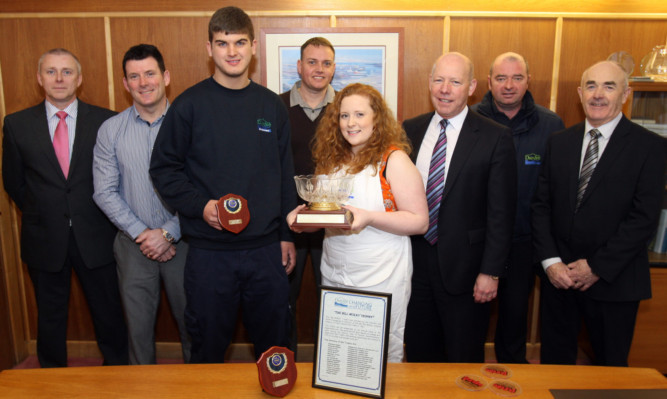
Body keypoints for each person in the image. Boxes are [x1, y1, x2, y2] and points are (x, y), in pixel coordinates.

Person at [149, 6, 296, 363]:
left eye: (240, 42)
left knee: (276, 347)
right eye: (222, 43)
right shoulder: (188, 106)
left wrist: (286, 235)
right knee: (207, 349)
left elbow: (284, 170)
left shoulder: (272, 105)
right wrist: (202, 206)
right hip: (209, 253)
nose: (232, 51)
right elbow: (163, 169)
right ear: (209, 49)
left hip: (265, 251)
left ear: (253, 47)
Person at [531, 60, 666, 366]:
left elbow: (643, 219)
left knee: (609, 372)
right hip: (559, 280)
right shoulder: (559, 142)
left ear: (626, 93)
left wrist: (596, 267)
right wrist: (551, 263)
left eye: (609, 86)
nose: (598, 94)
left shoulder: (650, 148)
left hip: (613, 283)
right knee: (555, 367)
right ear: (580, 93)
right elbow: (541, 206)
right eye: (591, 85)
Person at [2, 48, 128, 367]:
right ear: (39, 78)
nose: (59, 78)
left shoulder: (106, 121)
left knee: (109, 316)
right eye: (51, 71)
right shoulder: (16, 125)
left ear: (79, 78)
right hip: (44, 238)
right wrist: (45, 211)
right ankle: (51, 381)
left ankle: (118, 377)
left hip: (97, 235)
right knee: (50, 318)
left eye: (67, 71)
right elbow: (14, 182)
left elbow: (117, 179)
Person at [288, 83, 429, 362]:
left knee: (377, 356)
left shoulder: (394, 160)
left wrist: (369, 217)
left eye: (360, 115)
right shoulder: (331, 161)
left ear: (376, 118)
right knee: (339, 354)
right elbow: (324, 217)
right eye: (343, 116)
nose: (351, 123)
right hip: (336, 273)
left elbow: (420, 221)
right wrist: (302, 221)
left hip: (381, 275)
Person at [403, 52, 517, 363]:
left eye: (455, 82)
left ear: (471, 87)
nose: (444, 89)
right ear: (429, 84)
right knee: (418, 353)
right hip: (414, 263)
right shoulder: (409, 130)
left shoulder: (495, 137)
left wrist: (491, 272)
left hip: (467, 270)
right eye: (439, 80)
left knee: (462, 357)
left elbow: (501, 214)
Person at [92, 44, 191, 364]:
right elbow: (104, 192)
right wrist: (145, 234)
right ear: (125, 84)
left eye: (150, 73)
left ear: (165, 77)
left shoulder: (190, 126)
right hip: (133, 246)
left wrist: (168, 233)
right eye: (134, 76)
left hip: (187, 243)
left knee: (195, 327)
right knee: (138, 334)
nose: (143, 82)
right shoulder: (111, 131)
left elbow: (203, 187)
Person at [470, 52, 564, 364]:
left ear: (528, 81)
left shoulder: (551, 126)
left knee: (514, 319)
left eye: (517, 78)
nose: (509, 85)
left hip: (525, 243)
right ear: (488, 82)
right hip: (478, 243)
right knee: (472, 319)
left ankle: (514, 383)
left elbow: (555, 191)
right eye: (501, 78)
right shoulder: (470, 121)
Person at [279, 36, 336, 354]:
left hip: (335, 225)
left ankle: (329, 365)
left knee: (332, 297)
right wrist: (280, 230)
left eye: (326, 63)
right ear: (299, 66)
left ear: (333, 68)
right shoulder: (276, 107)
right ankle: (284, 364)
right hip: (291, 224)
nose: (319, 69)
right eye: (312, 62)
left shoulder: (345, 108)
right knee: (283, 299)